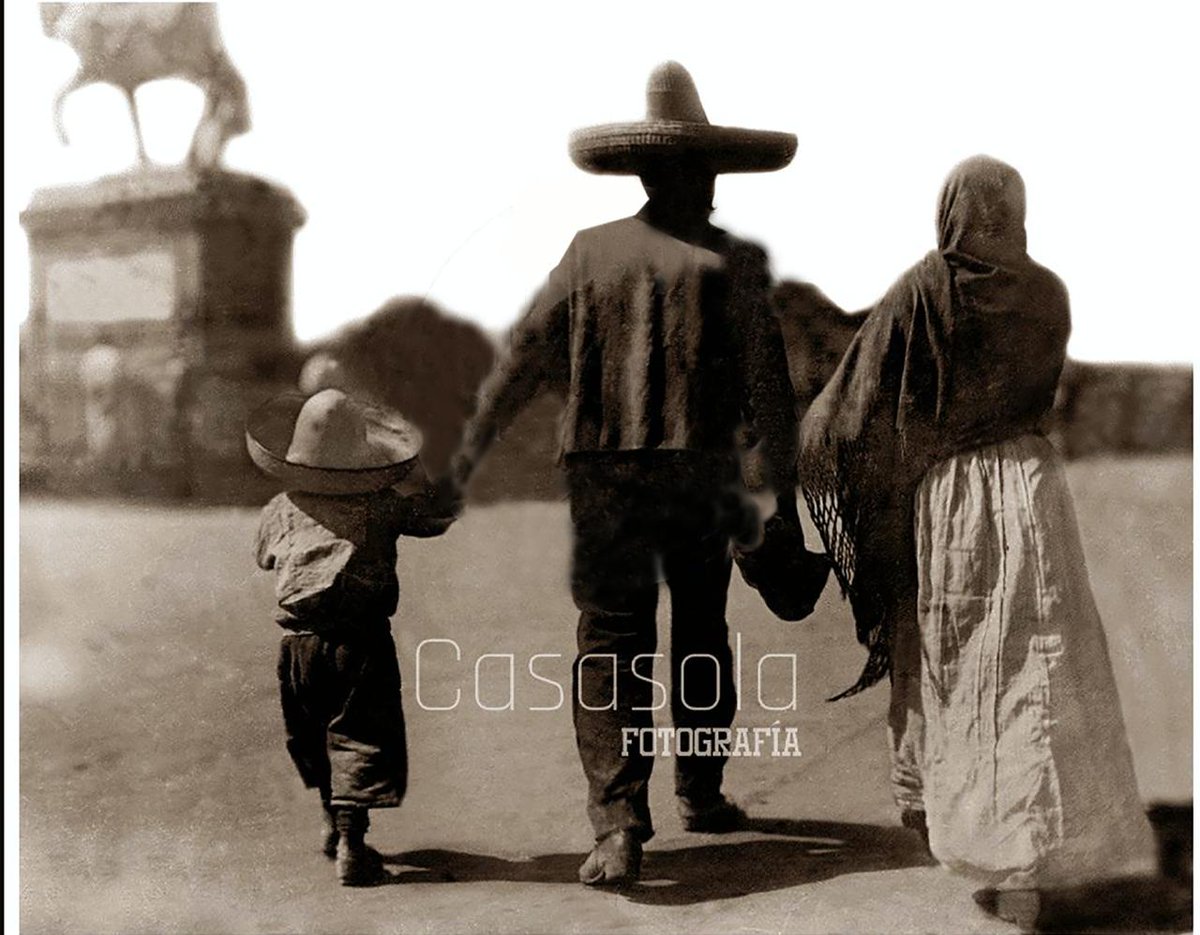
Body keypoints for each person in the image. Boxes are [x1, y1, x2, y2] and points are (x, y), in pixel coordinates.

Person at [449, 62, 810, 885]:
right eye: (704, 168)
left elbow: (520, 357)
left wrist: (469, 451)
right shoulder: (737, 261)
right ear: (694, 171)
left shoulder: (589, 252)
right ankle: (701, 789)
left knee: (611, 641)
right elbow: (769, 392)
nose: (709, 182)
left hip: (603, 474)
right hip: (700, 475)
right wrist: (782, 498)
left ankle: (618, 824)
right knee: (701, 633)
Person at [798, 156, 1157, 924]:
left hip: (956, 503)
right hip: (1035, 489)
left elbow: (847, 415)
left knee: (969, 675)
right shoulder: (1048, 292)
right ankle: (1035, 847)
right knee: (1037, 670)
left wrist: (849, 474)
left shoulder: (926, 289)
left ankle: (1002, 856)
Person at [248, 388, 456, 886]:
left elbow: (263, 557)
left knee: (316, 735)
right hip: (359, 643)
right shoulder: (381, 506)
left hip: (297, 644)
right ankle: (352, 843)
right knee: (358, 735)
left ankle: (331, 823)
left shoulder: (280, 507)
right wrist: (415, 471)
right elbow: (436, 518)